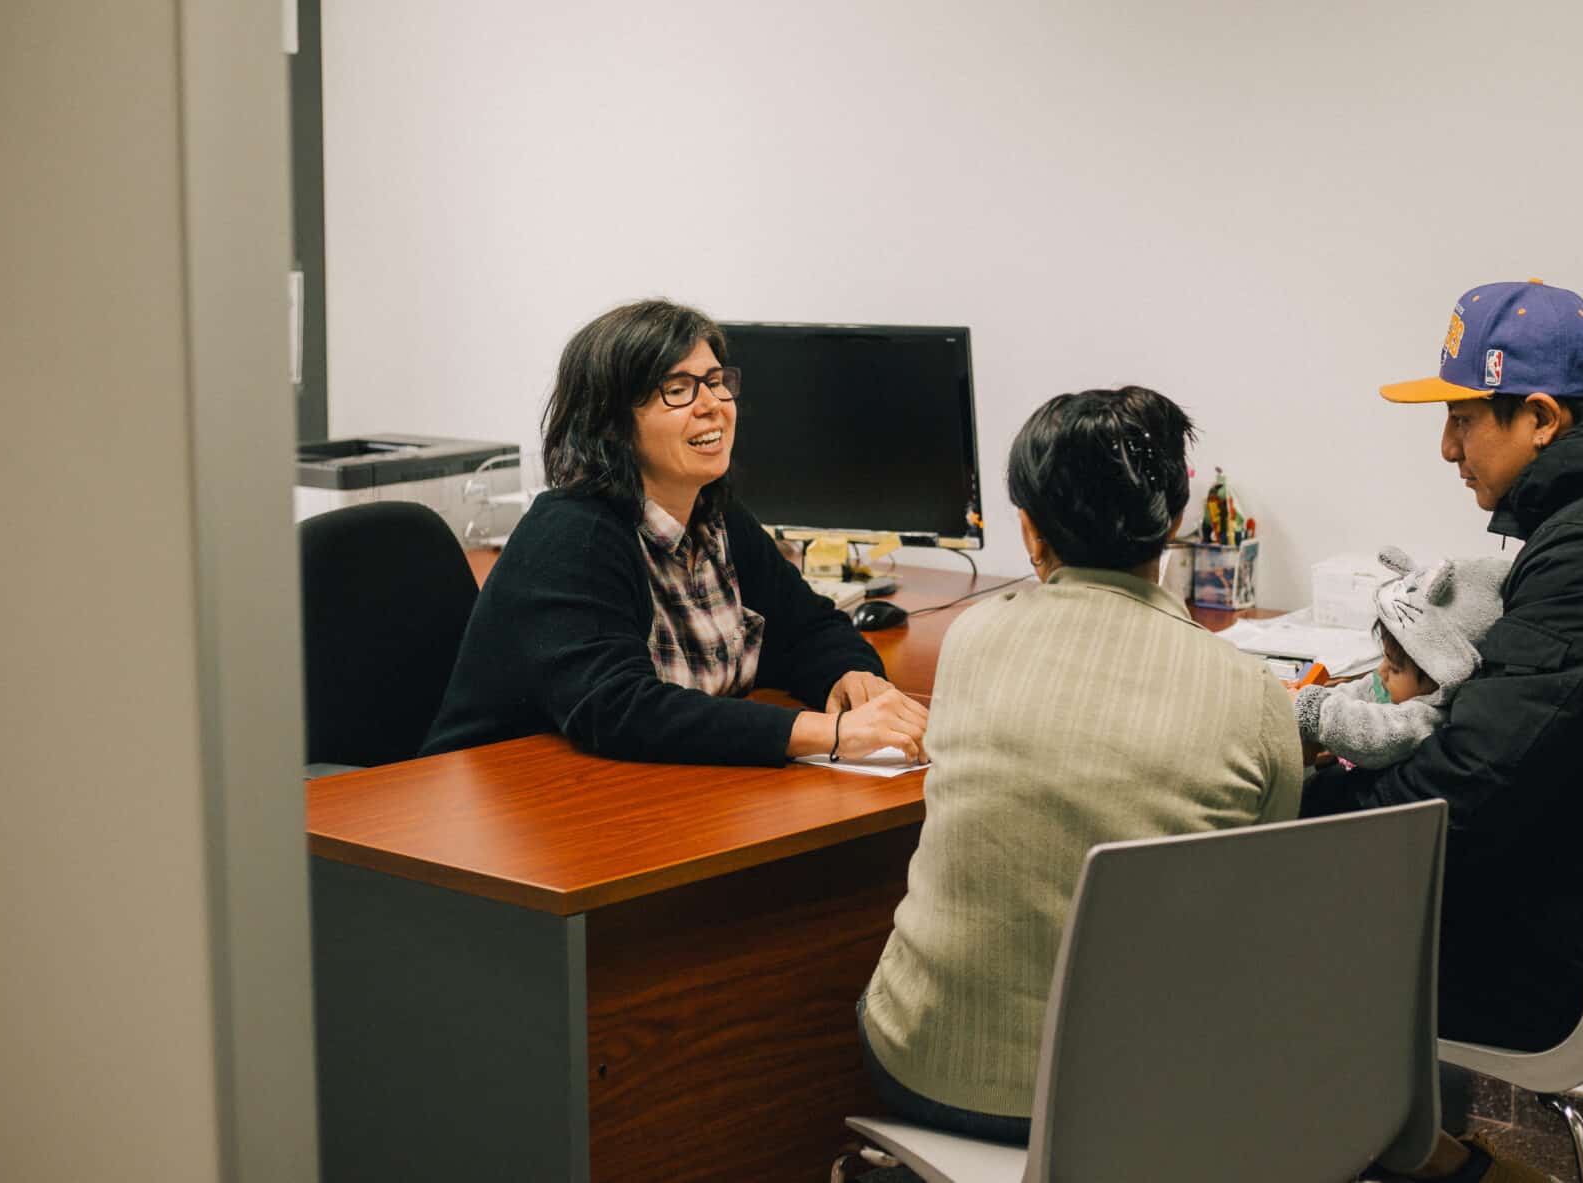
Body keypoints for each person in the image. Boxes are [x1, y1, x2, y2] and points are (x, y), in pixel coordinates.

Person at [1305, 279, 1583, 1183]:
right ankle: (1427, 1157)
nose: (1446, 449)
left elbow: (1466, 790)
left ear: (1542, 417)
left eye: (1464, 421)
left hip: (1557, 968)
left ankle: (1412, 1162)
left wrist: (1313, 795)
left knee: (1254, 895)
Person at [856, 387, 1304, 1143]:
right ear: (1172, 521)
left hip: (924, 1066)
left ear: (1030, 534)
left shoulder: (969, 640)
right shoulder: (1254, 695)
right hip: (1143, 1101)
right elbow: (1260, 889)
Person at [420, 299, 928, 765]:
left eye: (715, 381)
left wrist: (852, 676)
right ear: (613, 424)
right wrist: (828, 733)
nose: (712, 404)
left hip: (633, 794)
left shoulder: (717, 517)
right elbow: (617, 708)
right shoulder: (572, 536)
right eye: (677, 390)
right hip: (498, 811)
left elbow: (810, 630)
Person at [1295, 546, 1511, 769]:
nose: (1382, 671)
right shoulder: (1394, 686)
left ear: (1439, 679)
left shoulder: (1429, 718)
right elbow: (1362, 691)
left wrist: (1316, 713)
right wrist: (1313, 702)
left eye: (1395, 668)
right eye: (1385, 659)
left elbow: (1379, 733)